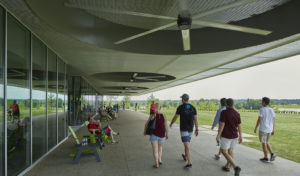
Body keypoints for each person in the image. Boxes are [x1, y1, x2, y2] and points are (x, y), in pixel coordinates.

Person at [169, 94, 198, 169]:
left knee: (187, 146)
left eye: (181, 98)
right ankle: (185, 156)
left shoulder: (180, 107)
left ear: (183, 99)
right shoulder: (193, 107)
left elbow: (175, 117)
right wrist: (197, 129)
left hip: (184, 129)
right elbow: (195, 119)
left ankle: (189, 163)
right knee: (187, 144)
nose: (181, 99)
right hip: (191, 129)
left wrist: (171, 123)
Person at [216, 98, 242, 176]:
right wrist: (241, 136)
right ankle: (227, 166)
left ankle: (235, 166)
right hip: (235, 136)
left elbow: (222, 125)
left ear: (226, 104)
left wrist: (218, 135)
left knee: (224, 151)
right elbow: (239, 126)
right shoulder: (237, 113)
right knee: (231, 150)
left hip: (226, 136)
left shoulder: (224, 112)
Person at [144, 103, 168, 168]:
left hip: (154, 135)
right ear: (160, 108)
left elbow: (146, 124)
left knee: (155, 150)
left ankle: (156, 164)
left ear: (154, 108)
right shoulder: (164, 115)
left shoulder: (152, 115)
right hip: (162, 135)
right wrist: (167, 134)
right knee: (160, 148)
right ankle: (160, 160)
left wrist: (145, 131)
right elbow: (166, 126)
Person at [254, 97, 276, 163]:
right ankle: (272, 154)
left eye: (262, 101)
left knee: (263, 143)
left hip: (263, 129)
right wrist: (273, 129)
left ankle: (266, 157)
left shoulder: (262, 109)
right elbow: (273, 120)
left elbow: (259, 119)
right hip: (269, 129)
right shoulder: (271, 109)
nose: (261, 102)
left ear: (264, 102)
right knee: (266, 142)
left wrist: (256, 128)